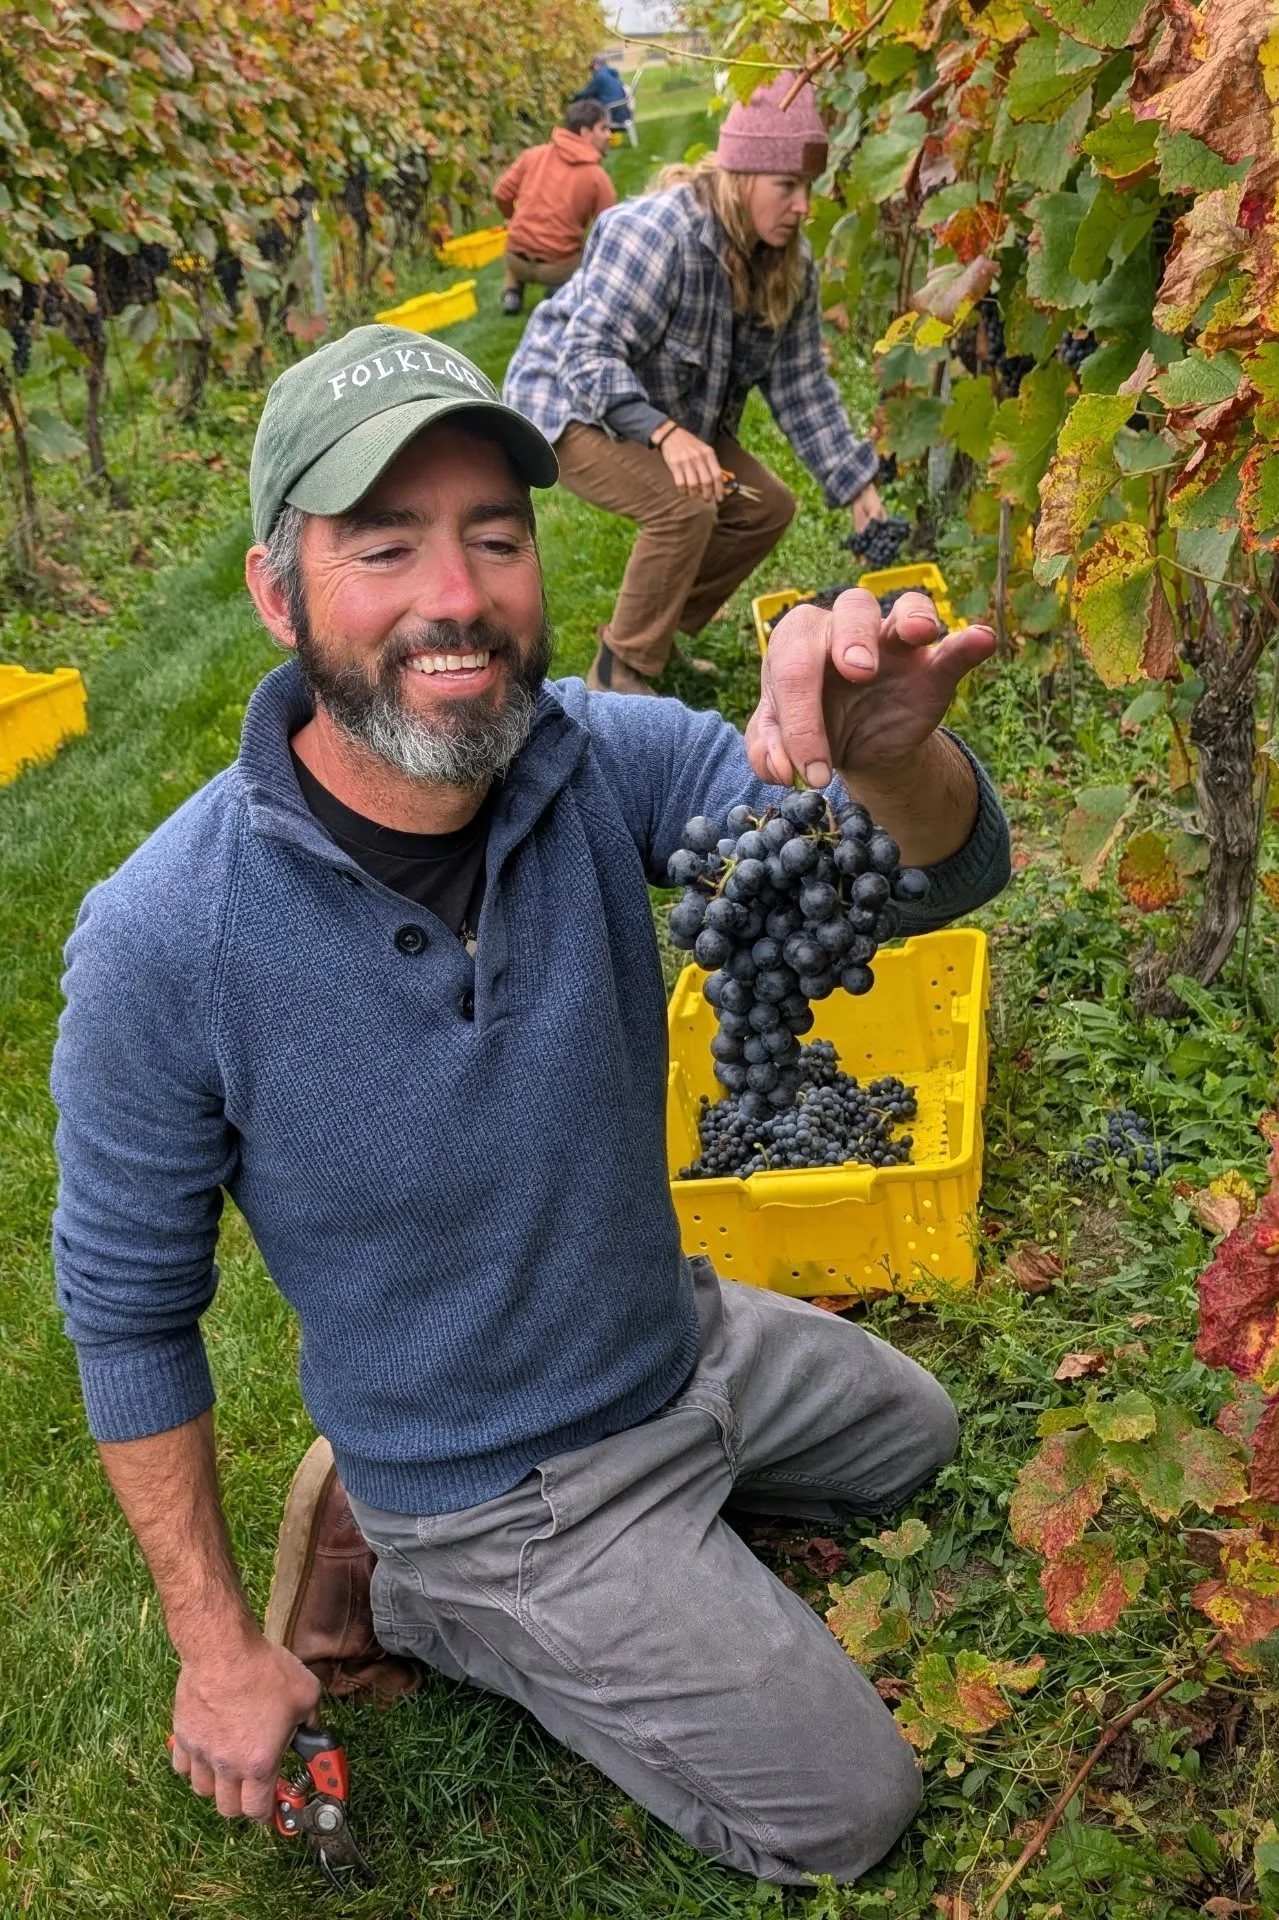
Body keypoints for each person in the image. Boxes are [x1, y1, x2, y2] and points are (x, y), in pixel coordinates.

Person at [51, 323, 1011, 1885]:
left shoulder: (594, 762)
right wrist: (215, 1649)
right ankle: (423, 1586)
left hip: (678, 1338)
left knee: (923, 1442)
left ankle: (662, 1532)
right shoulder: (170, 937)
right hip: (510, 1492)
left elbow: (937, 877)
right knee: (845, 1812)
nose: (458, 595)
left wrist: (896, 764)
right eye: (386, 547)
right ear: (273, 593)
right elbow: (125, 1311)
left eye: (496, 537)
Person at [503, 75, 890, 696]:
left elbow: (802, 385)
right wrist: (665, 435)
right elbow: (586, 354)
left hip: (667, 410)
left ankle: (651, 637)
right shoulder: (662, 233)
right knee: (685, 503)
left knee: (766, 508)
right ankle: (618, 676)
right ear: (741, 176)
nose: (803, 206)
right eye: (786, 186)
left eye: (808, 188)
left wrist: (856, 485)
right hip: (568, 404)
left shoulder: (787, 261)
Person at [493, 100, 617, 317]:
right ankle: (561, 290)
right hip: (557, 267)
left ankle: (512, 292)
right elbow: (610, 229)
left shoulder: (532, 155)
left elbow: (501, 193)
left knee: (520, 235)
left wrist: (510, 218)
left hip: (516, 259)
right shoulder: (597, 177)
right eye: (603, 128)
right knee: (585, 251)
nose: (609, 134)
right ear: (585, 132)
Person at [571, 52, 631, 130]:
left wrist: (572, 97)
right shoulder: (611, 74)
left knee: (586, 111)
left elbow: (586, 93)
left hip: (612, 114)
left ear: (596, 65)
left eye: (591, 69)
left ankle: (582, 135)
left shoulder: (600, 76)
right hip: (623, 113)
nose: (592, 72)